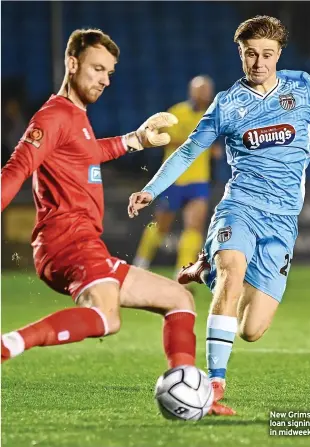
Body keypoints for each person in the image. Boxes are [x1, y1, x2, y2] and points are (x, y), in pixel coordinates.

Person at [128, 15, 310, 410]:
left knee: (252, 329)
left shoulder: (303, 92)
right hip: (240, 207)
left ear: (279, 54)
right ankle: (214, 385)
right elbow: (188, 151)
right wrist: (151, 190)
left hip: (283, 221)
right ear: (240, 54)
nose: (259, 63)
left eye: (267, 55)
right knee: (233, 271)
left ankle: (206, 272)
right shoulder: (227, 104)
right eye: (250, 54)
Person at [0, 27, 233, 416]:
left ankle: (191, 393)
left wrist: (135, 140)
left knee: (179, 299)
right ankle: (9, 345)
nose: (105, 80)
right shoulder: (55, 115)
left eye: (109, 72)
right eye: (96, 69)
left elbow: (87, 153)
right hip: (66, 241)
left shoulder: (77, 116)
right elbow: (17, 169)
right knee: (107, 318)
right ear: (72, 64)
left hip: (84, 242)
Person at [133, 75, 222, 279]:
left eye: (207, 90)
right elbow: (164, 139)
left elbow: (214, 143)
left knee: (195, 225)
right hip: (174, 180)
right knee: (161, 226)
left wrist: (215, 148)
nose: (204, 94)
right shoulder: (177, 112)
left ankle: (181, 273)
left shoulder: (212, 116)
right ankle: (141, 263)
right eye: (201, 90)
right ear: (192, 92)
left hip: (199, 180)